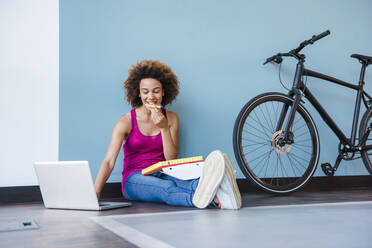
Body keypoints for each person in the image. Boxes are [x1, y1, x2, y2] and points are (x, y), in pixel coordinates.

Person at [94, 60, 241, 209]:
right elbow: (109, 161)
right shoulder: (126, 122)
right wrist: (96, 190)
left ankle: (221, 191)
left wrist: (164, 128)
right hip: (135, 179)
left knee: (189, 182)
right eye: (145, 92)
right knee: (166, 187)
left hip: (163, 171)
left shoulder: (171, 118)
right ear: (138, 93)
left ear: (164, 92)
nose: (151, 96)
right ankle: (210, 200)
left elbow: (170, 158)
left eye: (156, 91)